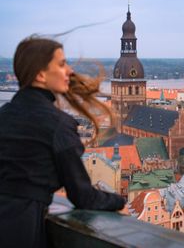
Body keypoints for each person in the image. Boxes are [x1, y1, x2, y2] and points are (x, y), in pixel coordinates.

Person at [0, 36, 125, 248]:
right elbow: (83, 196)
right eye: (61, 64)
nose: (69, 71)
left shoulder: (4, 115)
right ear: (40, 74)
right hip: (21, 229)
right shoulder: (58, 125)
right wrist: (120, 202)